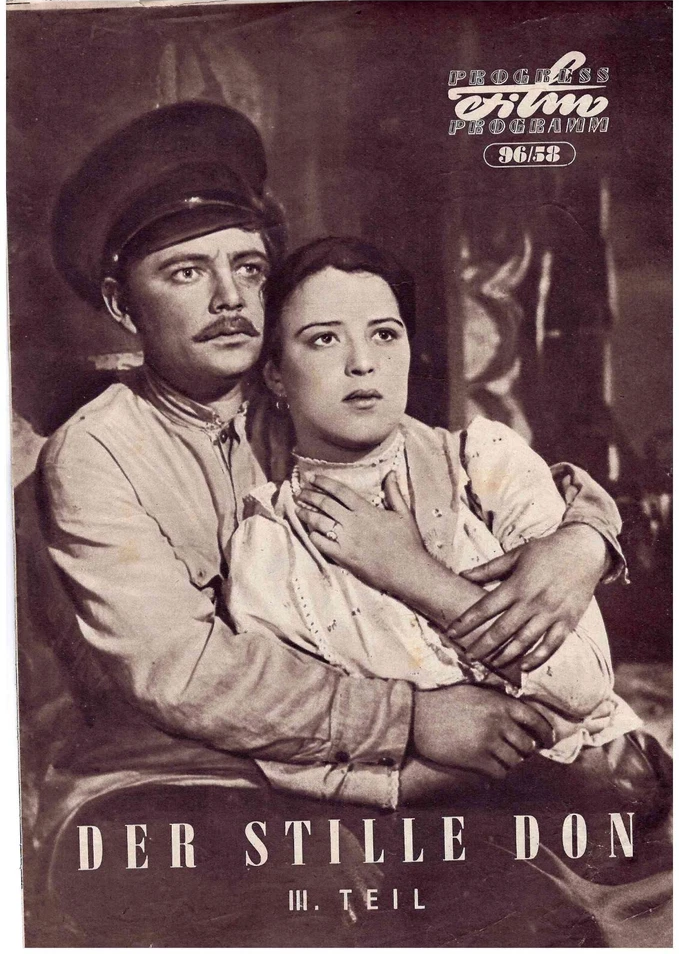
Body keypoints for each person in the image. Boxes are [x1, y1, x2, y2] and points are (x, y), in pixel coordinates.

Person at [36, 101, 629, 825]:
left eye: (249, 268)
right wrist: (408, 719)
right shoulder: (95, 453)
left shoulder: (306, 384)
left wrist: (584, 537)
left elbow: (455, 464)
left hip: (399, 737)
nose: (229, 298)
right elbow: (184, 671)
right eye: (186, 272)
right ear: (122, 306)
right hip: (211, 764)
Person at [224, 236, 641, 806]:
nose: (362, 362)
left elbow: (583, 685)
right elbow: (282, 751)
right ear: (275, 374)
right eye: (324, 339)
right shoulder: (268, 546)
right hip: (401, 829)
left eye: (384, 334)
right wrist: (424, 769)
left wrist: (410, 572)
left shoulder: (489, 465)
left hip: (588, 799)